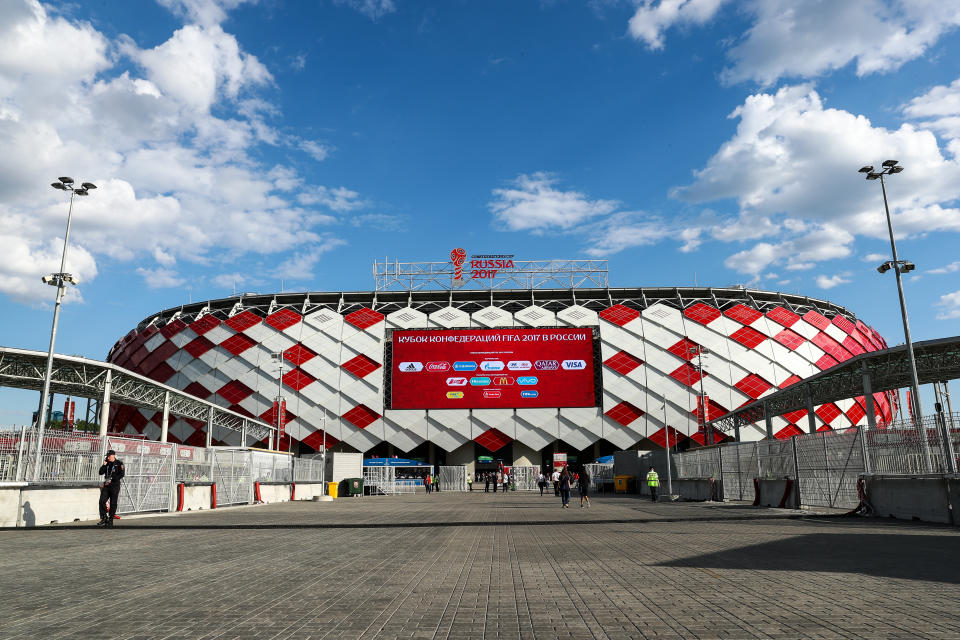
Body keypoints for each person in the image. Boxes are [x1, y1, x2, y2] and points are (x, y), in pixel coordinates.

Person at [97, 449, 124, 526]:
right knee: (102, 501)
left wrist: (113, 479)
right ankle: (104, 517)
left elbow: (122, 474)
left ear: (113, 455)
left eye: (109, 456)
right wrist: (104, 465)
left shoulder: (119, 463)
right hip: (107, 485)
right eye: (107, 456)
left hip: (115, 485)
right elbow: (100, 472)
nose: (108, 457)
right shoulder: (107, 463)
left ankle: (110, 519)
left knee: (113, 503)